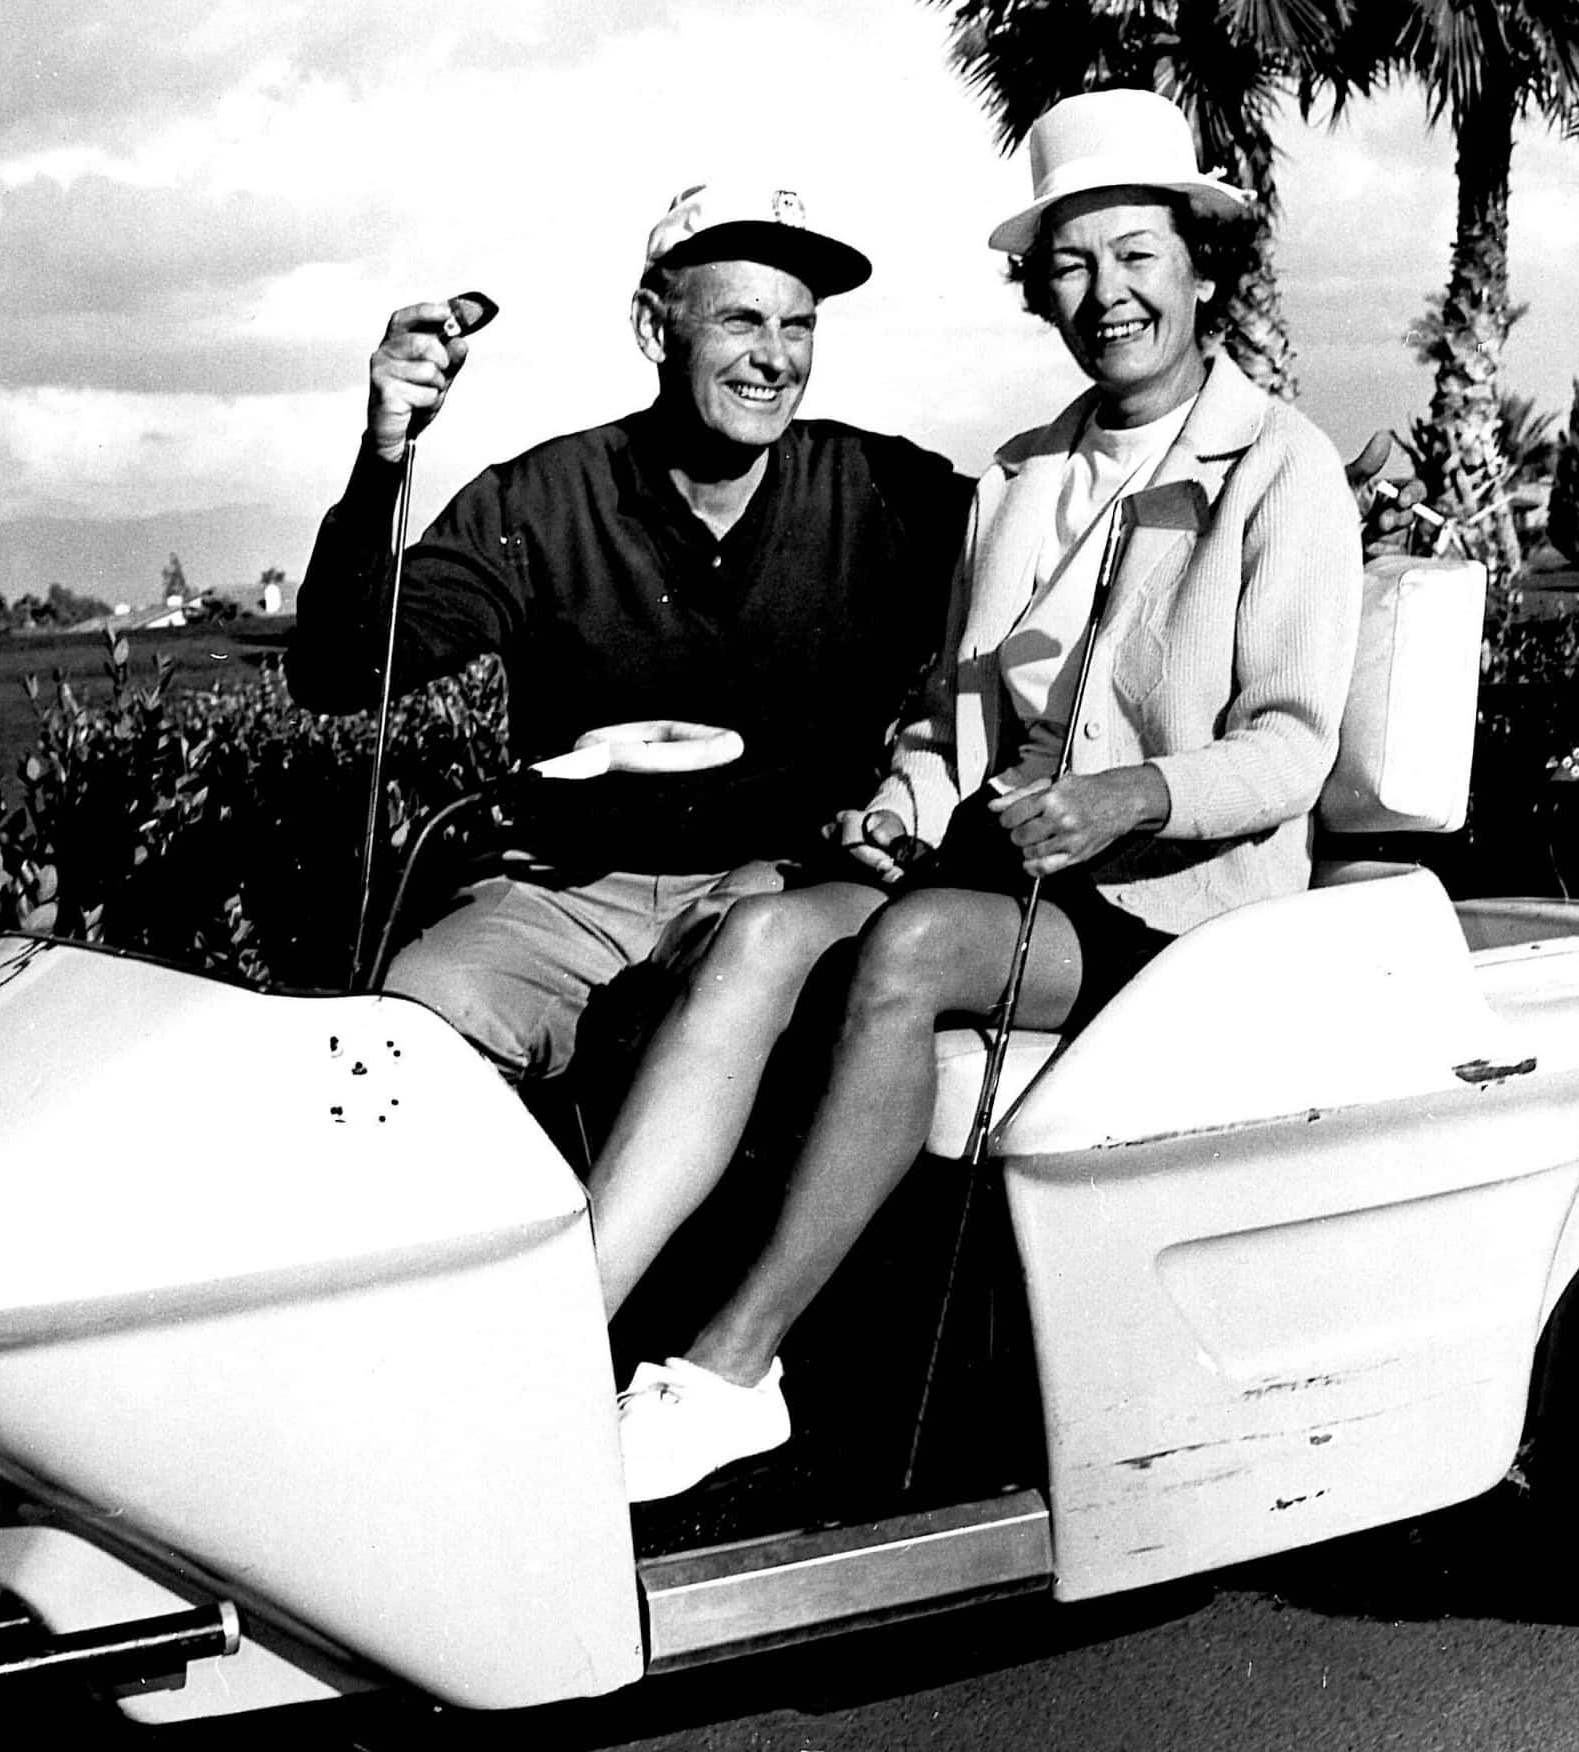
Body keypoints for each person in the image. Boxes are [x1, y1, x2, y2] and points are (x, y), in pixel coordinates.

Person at [598, 88, 1367, 1502]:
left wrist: (1129, 795)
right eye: (1071, 264)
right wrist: (901, 805)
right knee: (763, 929)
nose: (1107, 293)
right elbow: (959, 717)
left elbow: (1291, 747)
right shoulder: (1024, 477)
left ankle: (730, 1373)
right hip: (1014, 872)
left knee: (909, 951)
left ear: (1203, 265)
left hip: (1182, 902)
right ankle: (565, 1327)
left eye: (1137, 254)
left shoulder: (1280, 469)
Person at [286, 186, 969, 1084]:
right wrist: (384, 458)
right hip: (561, 896)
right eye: (739, 321)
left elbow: (1047, 575)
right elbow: (339, 671)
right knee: (413, 1024)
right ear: (655, 327)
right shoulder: (540, 499)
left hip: (784, 890)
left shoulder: (879, 486)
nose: (774, 358)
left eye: (797, 327)